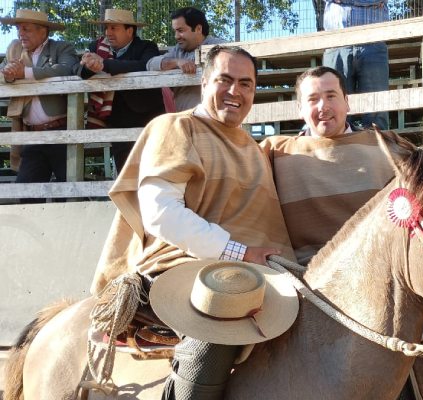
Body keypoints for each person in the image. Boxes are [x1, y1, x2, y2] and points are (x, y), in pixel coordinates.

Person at [90, 45, 296, 399]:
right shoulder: (175, 127)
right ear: (203, 83)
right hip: (189, 266)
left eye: (246, 84)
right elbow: (160, 213)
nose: (236, 92)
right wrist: (238, 252)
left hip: (268, 270)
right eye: (225, 80)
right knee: (219, 320)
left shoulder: (254, 147)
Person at [261, 66, 396, 265]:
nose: (323, 106)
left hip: (381, 265)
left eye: (331, 96)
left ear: (347, 102)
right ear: (300, 109)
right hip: (307, 274)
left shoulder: (387, 145)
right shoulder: (276, 151)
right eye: (313, 99)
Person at [0, 9, 78, 201]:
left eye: (26, 29)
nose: (20, 34)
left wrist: (24, 73)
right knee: (26, 193)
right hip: (32, 136)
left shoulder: (62, 47)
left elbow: (66, 69)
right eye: (19, 29)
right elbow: (2, 74)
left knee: (68, 194)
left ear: (43, 31)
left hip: (62, 133)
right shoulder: (14, 50)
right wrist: (9, 75)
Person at [76, 9, 165, 173]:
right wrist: (89, 64)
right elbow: (80, 72)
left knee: (154, 172)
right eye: (107, 28)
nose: (108, 32)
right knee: (126, 175)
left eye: (113, 28)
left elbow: (144, 66)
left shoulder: (147, 46)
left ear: (129, 30)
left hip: (148, 120)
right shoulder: (95, 48)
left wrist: (105, 64)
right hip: (116, 122)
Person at [322, 0, 389, 130]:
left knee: (377, 112)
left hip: (374, 41)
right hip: (335, 44)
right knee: (335, 108)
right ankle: (339, 149)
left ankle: (376, 148)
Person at [146, 7, 225, 111]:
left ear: (198, 29)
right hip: (183, 120)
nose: (176, 36)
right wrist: (177, 62)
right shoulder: (178, 51)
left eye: (180, 31)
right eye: (175, 31)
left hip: (214, 121)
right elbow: (150, 64)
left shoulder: (221, 47)